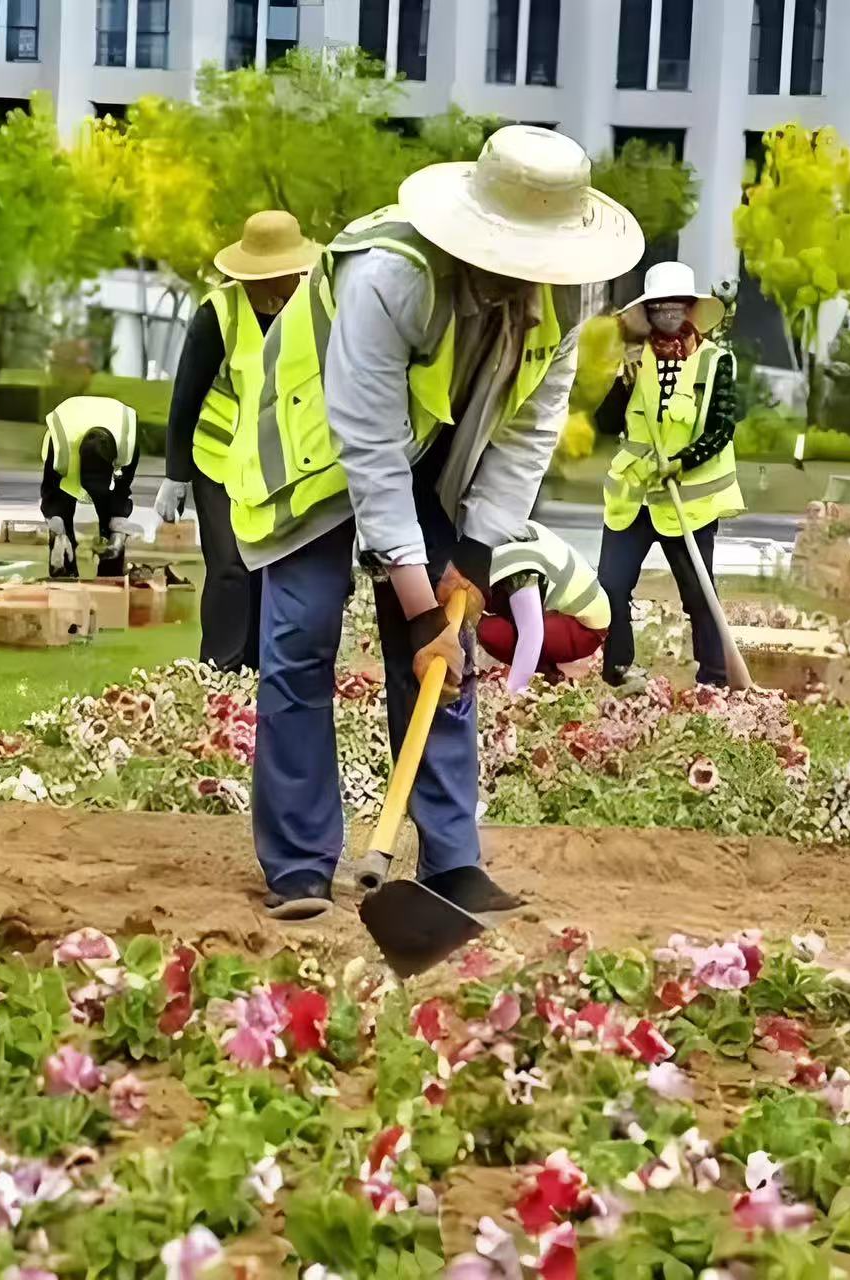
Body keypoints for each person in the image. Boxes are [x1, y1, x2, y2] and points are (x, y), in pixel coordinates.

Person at [226, 126, 643, 920]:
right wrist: (418, 607)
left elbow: (528, 431)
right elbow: (370, 448)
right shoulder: (391, 277)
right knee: (301, 640)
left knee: (447, 654)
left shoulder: (563, 297)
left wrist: (474, 556)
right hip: (315, 447)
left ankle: (450, 861)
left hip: (430, 458)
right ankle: (299, 864)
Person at [155, 212, 320, 671]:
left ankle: (259, 670)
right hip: (220, 462)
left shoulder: (312, 312)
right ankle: (221, 672)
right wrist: (175, 475)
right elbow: (186, 397)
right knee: (229, 566)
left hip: (280, 467)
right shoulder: (218, 314)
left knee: (269, 568)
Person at [594, 262, 740, 688]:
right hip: (633, 496)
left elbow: (721, 428)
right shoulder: (634, 361)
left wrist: (683, 460)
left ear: (690, 309)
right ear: (648, 312)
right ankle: (618, 669)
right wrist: (618, 383)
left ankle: (714, 679)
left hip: (687, 502)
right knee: (611, 586)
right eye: (658, 307)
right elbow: (607, 425)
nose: (667, 314)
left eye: (676, 306)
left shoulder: (715, 362)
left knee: (699, 595)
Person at [475, 521, 611, 692]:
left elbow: (531, 634)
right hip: (573, 605)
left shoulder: (519, 574)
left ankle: (549, 670)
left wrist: (516, 687)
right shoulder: (506, 534)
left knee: (490, 631)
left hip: (587, 630)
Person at [40, 395, 139, 580]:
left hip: (109, 431)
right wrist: (58, 533)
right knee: (62, 518)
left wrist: (117, 532)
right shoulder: (60, 447)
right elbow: (51, 491)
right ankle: (63, 566)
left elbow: (122, 490)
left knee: (109, 516)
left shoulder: (127, 442)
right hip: (65, 447)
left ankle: (111, 570)